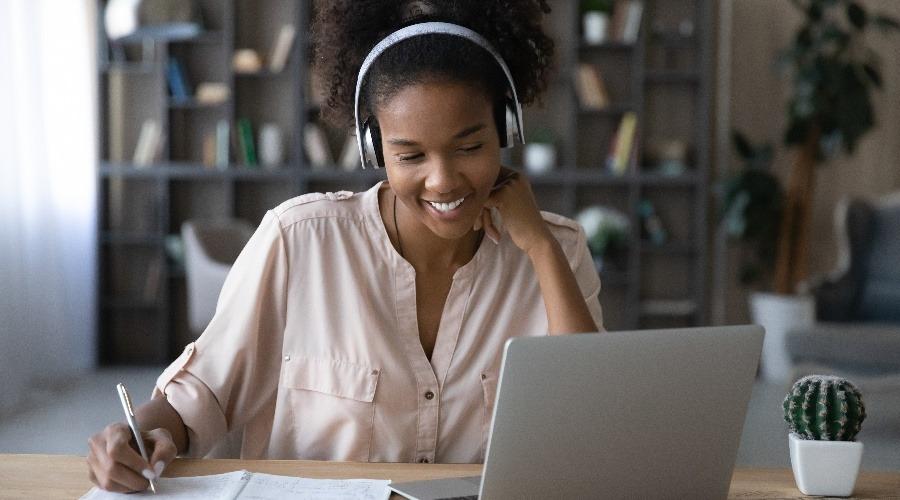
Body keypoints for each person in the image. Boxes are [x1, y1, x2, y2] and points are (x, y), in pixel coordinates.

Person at [87, 0, 603, 492]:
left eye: (470, 147)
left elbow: (588, 421)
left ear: (506, 130)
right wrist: (142, 435)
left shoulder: (558, 249)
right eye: (411, 155)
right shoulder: (299, 241)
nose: (443, 180)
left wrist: (536, 245)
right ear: (375, 148)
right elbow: (200, 395)